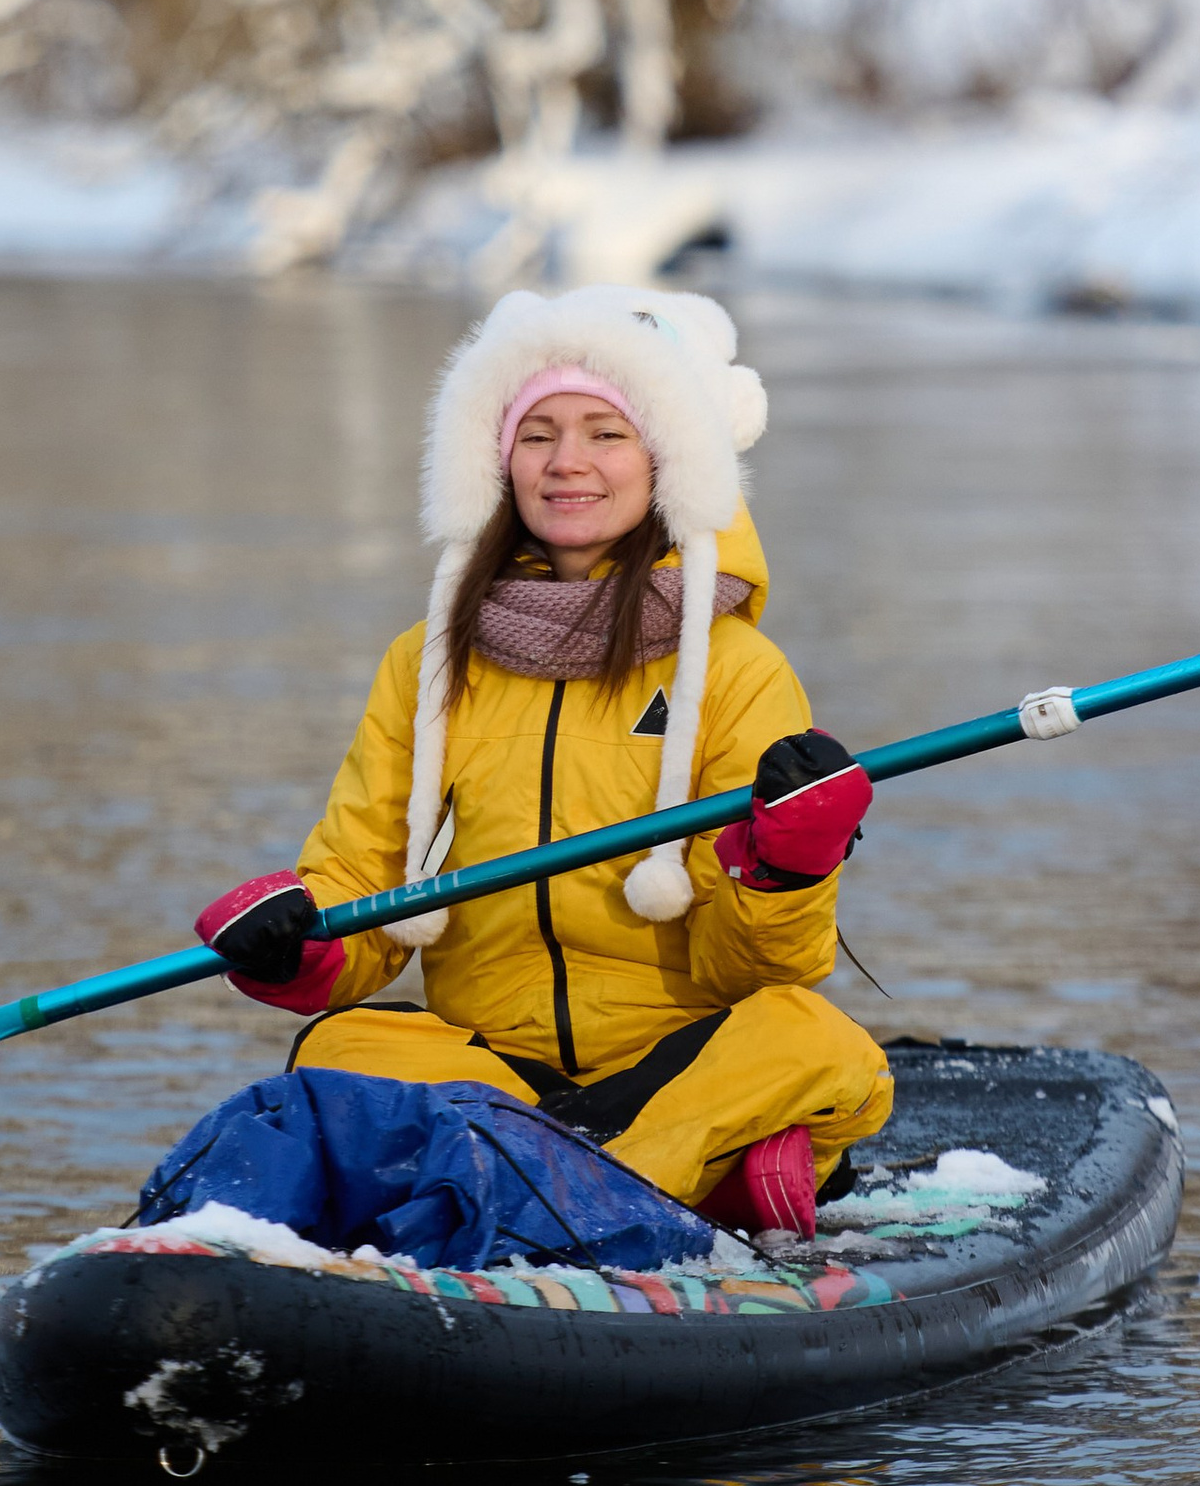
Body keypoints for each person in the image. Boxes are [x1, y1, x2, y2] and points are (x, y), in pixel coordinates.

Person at [193, 287, 894, 1239]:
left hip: (682, 1059)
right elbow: (364, 885)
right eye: (539, 434)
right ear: (495, 459)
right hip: (499, 1068)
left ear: (669, 461)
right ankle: (653, 1181)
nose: (568, 463)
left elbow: (757, 971)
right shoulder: (425, 657)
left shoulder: (738, 667)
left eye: (607, 433)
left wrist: (786, 869)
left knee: (820, 1048)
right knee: (340, 1045)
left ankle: (522, 1184)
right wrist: (301, 945)